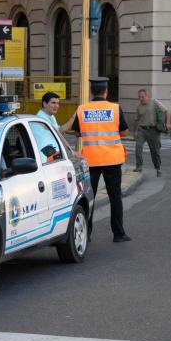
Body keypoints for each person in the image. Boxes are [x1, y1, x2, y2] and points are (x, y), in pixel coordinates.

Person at [72, 77, 131, 242]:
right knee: (115, 197)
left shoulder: (82, 109)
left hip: (91, 161)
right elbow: (125, 132)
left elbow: (77, 132)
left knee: (89, 198)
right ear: (106, 91)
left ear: (91, 92)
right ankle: (118, 233)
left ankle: (87, 234)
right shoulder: (115, 108)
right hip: (112, 159)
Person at [133, 89, 169, 177]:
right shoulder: (138, 107)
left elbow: (166, 111)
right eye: (139, 97)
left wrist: (168, 123)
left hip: (153, 130)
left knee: (155, 151)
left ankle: (158, 168)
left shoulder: (154, 102)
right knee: (138, 146)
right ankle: (139, 166)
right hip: (142, 130)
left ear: (147, 96)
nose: (141, 99)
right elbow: (136, 120)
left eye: (142, 97)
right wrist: (135, 131)